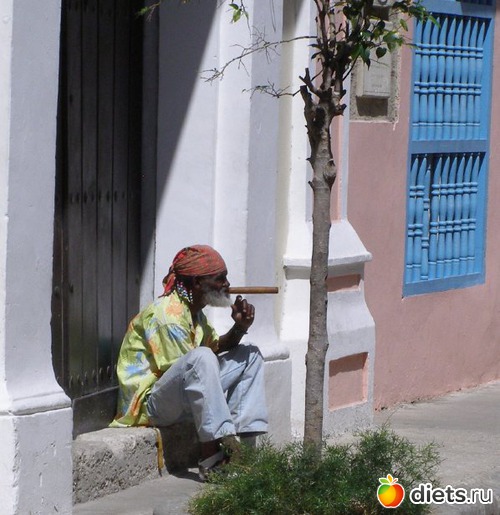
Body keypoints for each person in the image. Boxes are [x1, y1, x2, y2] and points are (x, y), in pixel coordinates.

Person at [110, 244, 268, 479]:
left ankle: (245, 453)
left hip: (183, 392)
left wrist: (239, 327)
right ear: (197, 283)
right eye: (220, 278)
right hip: (153, 405)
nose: (227, 284)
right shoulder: (168, 315)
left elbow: (215, 348)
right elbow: (193, 367)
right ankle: (212, 457)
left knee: (250, 354)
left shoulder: (194, 312)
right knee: (202, 358)